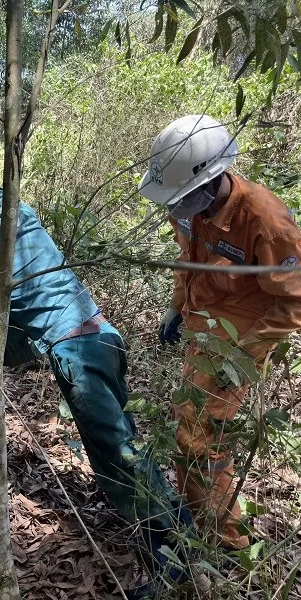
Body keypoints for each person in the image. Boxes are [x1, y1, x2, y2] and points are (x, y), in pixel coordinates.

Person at [0, 163, 193, 594]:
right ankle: (163, 529)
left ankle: (173, 549)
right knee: (122, 441)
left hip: (78, 351)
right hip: (102, 338)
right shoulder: (20, 218)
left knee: (117, 452)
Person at [140, 115, 301, 551]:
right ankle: (200, 517)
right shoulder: (190, 207)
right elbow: (187, 259)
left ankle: (225, 544)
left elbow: (294, 300)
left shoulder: (266, 221)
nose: (175, 208)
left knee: (196, 440)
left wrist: (244, 358)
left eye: (183, 198)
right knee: (189, 430)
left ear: (211, 184)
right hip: (203, 326)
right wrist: (176, 308)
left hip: (241, 337)